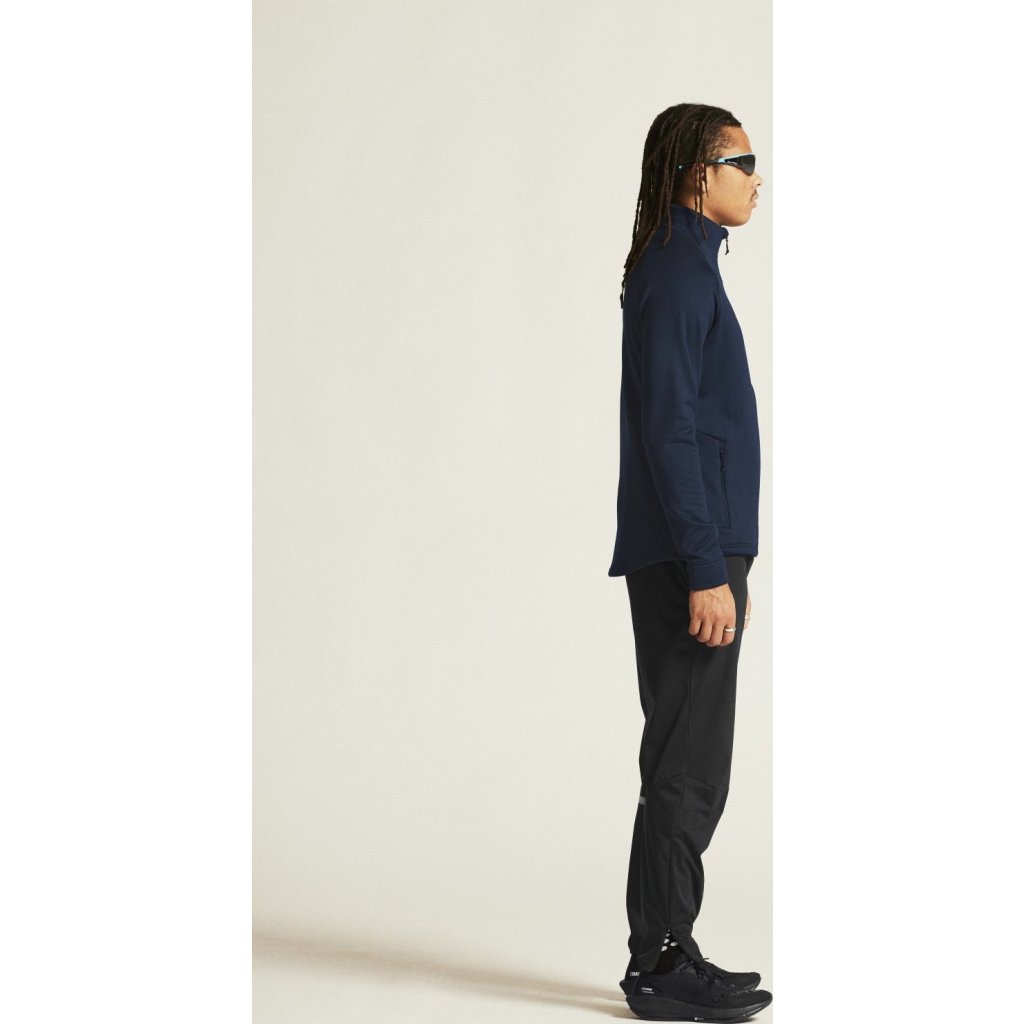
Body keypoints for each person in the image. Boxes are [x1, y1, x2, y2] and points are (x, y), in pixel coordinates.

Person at [608, 102, 772, 1022]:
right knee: (688, 761)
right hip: (689, 552)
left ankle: (665, 951)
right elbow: (668, 430)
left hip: (693, 544)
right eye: (743, 162)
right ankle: (662, 962)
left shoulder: (686, 267)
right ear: (697, 174)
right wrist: (707, 567)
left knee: (688, 755)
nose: (758, 179)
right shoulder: (676, 273)